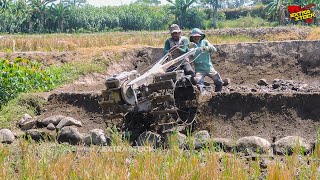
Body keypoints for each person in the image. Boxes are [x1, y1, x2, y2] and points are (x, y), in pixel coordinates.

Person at [189, 28, 223, 92]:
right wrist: (191, 51)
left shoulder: (205, 42)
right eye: (195, 37)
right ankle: (204, 97)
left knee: (219, 82)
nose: (196, 38)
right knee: (199, 84)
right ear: (192, 37)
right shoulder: (191, 45)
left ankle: (217, 94)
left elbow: (214, 50)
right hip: (199, 70)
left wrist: (207, 48)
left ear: (201, 36)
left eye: (198, 36)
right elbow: (188, 54)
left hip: (209, 68)